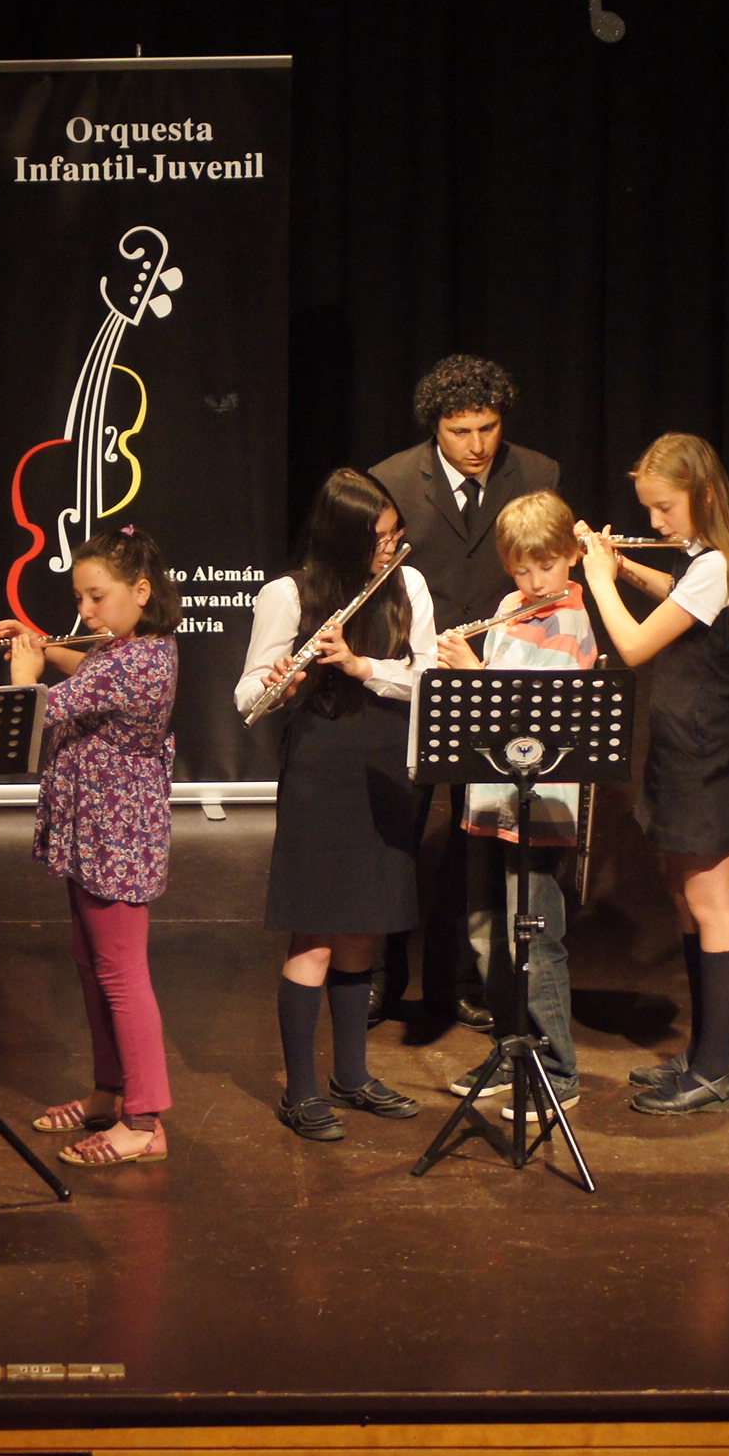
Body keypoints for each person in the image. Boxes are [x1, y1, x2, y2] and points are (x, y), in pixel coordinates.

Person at [574, 433, 729, 1116]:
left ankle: (716, 1069)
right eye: (650, 510)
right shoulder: (709, 557)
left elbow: (634, 645)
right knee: (686, 897)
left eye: (665, 507)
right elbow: (684, 596)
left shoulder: (720, 562)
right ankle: (701, 1053)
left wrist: (599, 581)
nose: (656, 521)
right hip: (684, 742)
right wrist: (625, 566)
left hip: (704, 747)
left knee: (713, 901)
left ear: (705, 494)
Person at [237, 469, 435, 1141]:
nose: (391, 546)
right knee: (316, 935)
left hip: (385, 768)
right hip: (321, 772)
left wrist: (362, 667)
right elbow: (246, 695)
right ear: (344, 537)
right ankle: (301, 1090)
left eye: (394, 533)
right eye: (378, 537)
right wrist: (281, 683)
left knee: (362, 931)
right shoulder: (288, 594)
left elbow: (428, 676)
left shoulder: (409, 584)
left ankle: (352, 1075)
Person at [369, 355, 562, 1029]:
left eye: (488, 427)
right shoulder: (393, 479)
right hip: (417, 679)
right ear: (435, 429)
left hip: (495, 678)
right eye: (461, 432)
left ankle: (460, 981)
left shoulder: (537, 474)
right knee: (400, 833)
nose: (477, 445)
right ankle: (382, 977)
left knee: (474, 838)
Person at [0, 526, 181, 1167]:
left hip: (116, 835)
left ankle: (145, 1120)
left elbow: (39, 710)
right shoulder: (124, 649)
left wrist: (25, 673)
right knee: (92, 963)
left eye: (97, 597)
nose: (86, 610)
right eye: (79, 598)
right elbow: (92, 674)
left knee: (122, 975)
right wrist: (46, 646)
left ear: (141, 591)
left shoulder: (140, 659)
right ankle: (109, 1091)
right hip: (92, 830)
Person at [432, 491, 598, 1122]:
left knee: (536, 938)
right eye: (522, 570)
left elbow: (533, 716)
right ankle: (511, 1048)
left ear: (571, 557)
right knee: (486, 932)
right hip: (490, 796)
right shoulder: (510, 607)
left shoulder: (570, 622)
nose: (534, 583)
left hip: (539, 806)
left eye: (546, 568)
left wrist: (472, 672)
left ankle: (557, 1070)